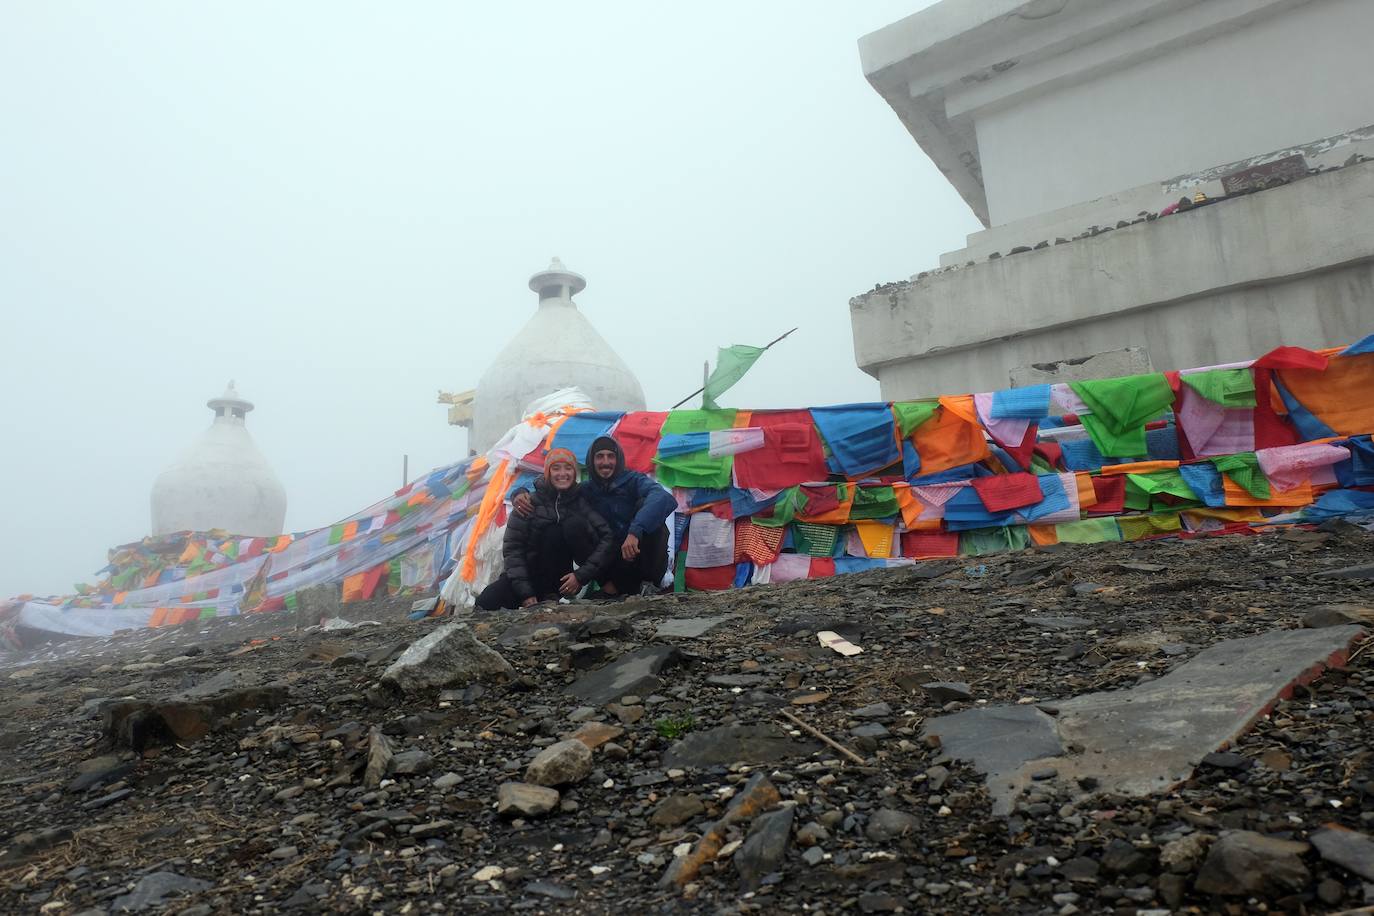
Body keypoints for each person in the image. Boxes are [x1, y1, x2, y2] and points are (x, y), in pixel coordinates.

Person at [514, 435, 675, 597]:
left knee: (649, 511)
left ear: (618, 459)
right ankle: (608, 586)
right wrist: (520, 493)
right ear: (592, 461)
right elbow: (556, 492)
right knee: (572, 525)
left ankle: (647, 584)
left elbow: (662, 497)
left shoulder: (633, 481)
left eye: (610, 456)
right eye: (599, 457)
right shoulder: (586, 490)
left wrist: (635, 531)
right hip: (611, 561)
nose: (605, 462)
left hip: (638, 556)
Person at [475, 448, 614, 610]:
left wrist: (581, 575)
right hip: (526, 577)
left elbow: (607, 537)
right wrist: (525, 592)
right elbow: (513, 550)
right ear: (547, 473)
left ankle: (551, 596)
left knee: (558, 530)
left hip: (555, 582)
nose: (562, 473)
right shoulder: (527, 504)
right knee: (486, 601)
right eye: (556, 468)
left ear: (574, 472)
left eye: (568, 468)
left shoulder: (580, 503)